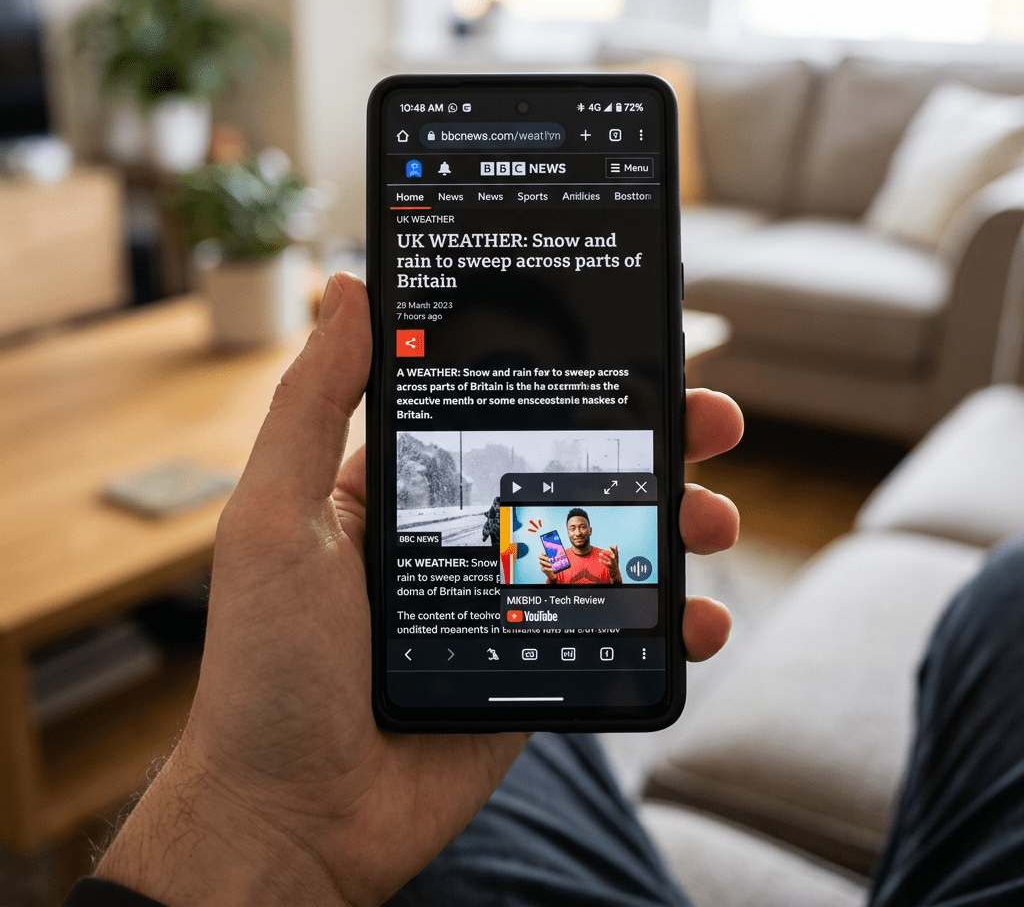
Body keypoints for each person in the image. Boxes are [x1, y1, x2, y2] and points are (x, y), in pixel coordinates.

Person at [66, 273, 1024, 906]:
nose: (570, 530)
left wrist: (248, 813)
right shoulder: (551, 547)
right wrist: (255, 812)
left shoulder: (576, 547)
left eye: (573, 528)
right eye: (567, 528)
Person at [539, 507, 622, 584]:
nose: (578, 533)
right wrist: (552, 579)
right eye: (572, 529)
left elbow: (618, 594)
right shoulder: (559, 559)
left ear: (590, 530)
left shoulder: (606, 558)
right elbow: (553, 597)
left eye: (582, 527)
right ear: (568, 533)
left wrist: (615, 574)